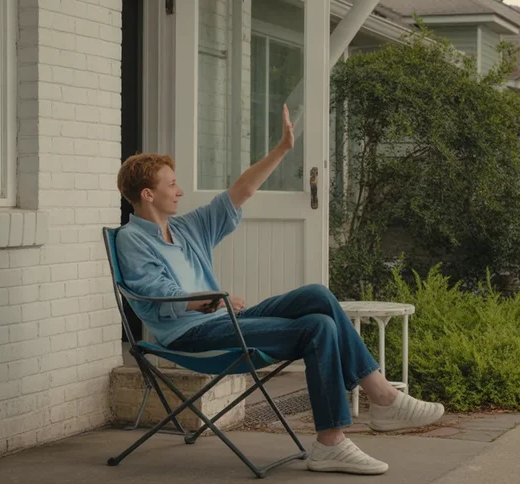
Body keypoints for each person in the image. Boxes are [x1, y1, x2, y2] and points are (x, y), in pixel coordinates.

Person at [114, 105, 444, 475]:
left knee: (317, 296)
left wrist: (283, 148)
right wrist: (211, 301)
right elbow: (157, 298)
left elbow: (242, 190)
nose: (181, 190)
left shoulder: (188, 228)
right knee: (319, 327)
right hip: (188, 336)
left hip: (224, 319)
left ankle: (381, 398)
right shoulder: (132, 240)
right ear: (147, 193)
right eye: (171, 184)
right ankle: (335, 440)